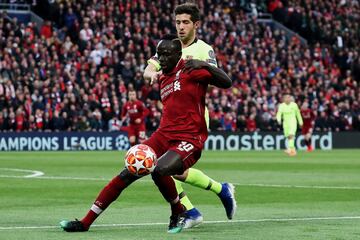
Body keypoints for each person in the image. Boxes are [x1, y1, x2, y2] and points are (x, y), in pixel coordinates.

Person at [60, 35, 232, 233]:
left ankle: (178, 211)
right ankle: (86, 222)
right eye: (160, 55)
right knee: (127, 172)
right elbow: (149, 69)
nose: (162, 59)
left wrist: (206, 66)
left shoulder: (190, 69)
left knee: (159, 169)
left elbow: (226, 82)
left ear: (178, 54)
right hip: (163, 135)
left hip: (189, 138)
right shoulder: (163, 77)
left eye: (167, 55)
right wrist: (150, 71)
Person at [143, 2, 236, 228]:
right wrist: (149, 71)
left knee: (166, 168)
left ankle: (192, 210)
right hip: (170, 120)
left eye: (185, 22)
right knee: (176, 172)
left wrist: (202, 66)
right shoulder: (169, 46)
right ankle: (220, 191)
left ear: (196, 25)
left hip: (192, 123)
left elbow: (218, 78)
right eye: (177, 22)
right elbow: (152, 65)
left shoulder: (204, 49)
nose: (181, 27)